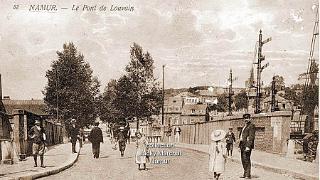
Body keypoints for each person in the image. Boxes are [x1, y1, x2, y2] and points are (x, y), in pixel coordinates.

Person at [239, 113, 256, 179]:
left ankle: (248, 175)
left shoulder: (251, 126)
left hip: (246, 145)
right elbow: (241, 136)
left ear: (250, 118)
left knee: (246, 159)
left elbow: (251, 137)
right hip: (242, 145)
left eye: (247, 118)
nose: (246, 120)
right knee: (243, 160)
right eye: (245, 118)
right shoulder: (244, 126)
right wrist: (239, 146)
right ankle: (245, 173)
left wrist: (248, 146)